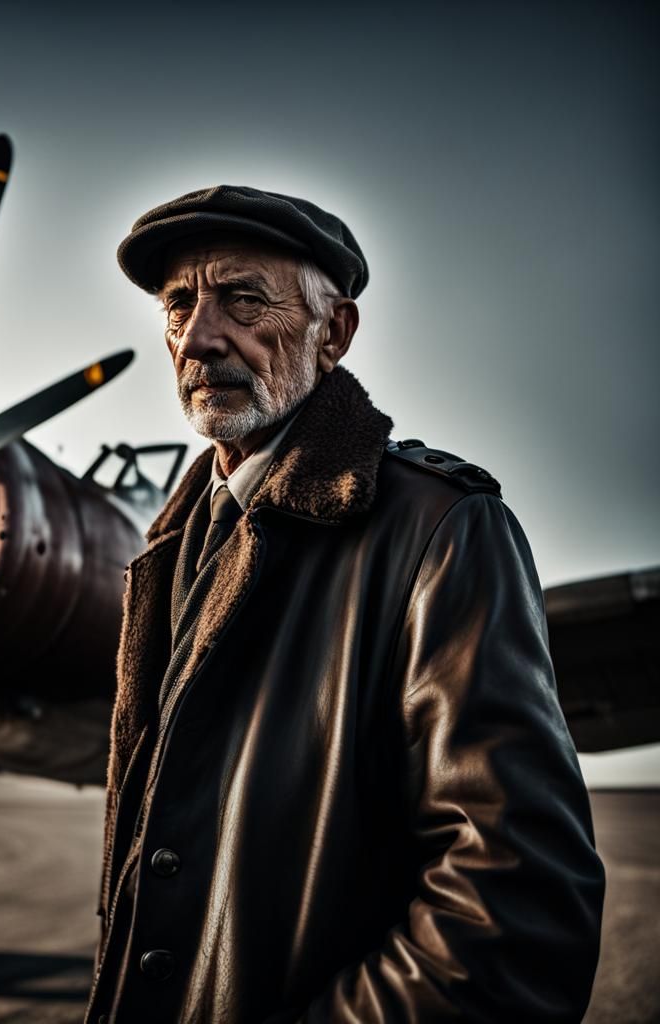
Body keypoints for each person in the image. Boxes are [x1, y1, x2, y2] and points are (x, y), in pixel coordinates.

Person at [83, 185, 605, 1024]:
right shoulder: (172, 548)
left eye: (243, 298)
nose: (201, 335)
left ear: (335, 333)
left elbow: (515, 919)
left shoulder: (444, 528)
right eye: (179, 304)